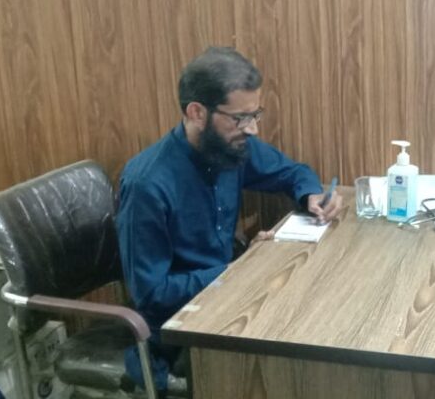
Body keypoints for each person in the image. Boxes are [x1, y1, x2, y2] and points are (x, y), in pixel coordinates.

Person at [116, 47, 344, 394]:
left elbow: (293, 172)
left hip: (230, 295)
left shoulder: (229, 147)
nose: (252, 129)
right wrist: (238, 269)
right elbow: (151, 294)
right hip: (178, 327)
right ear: (197, 113)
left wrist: (311, 195)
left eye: (256, 115)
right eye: (240, 118)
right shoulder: (148, 184)